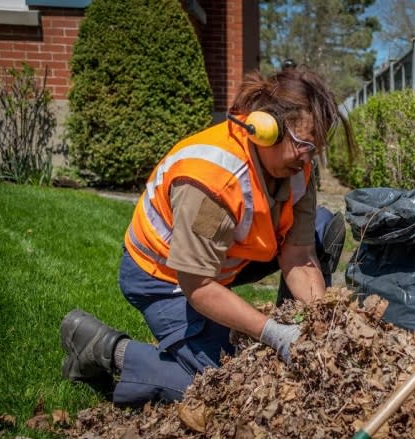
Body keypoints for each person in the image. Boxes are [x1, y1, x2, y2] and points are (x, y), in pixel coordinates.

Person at [59, 66, 353, 406]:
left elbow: (299, 254)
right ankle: (104, 347)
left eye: (314, 148)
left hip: (224, 258)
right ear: (265, 130)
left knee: (320, 226)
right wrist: (273, 334)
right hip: (164, 278)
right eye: (302, 143)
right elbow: (197, 285)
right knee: (229, 383)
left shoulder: (297, 167)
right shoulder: (214, 182)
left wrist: (322, 320)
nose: (308, 157)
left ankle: (287, 322)